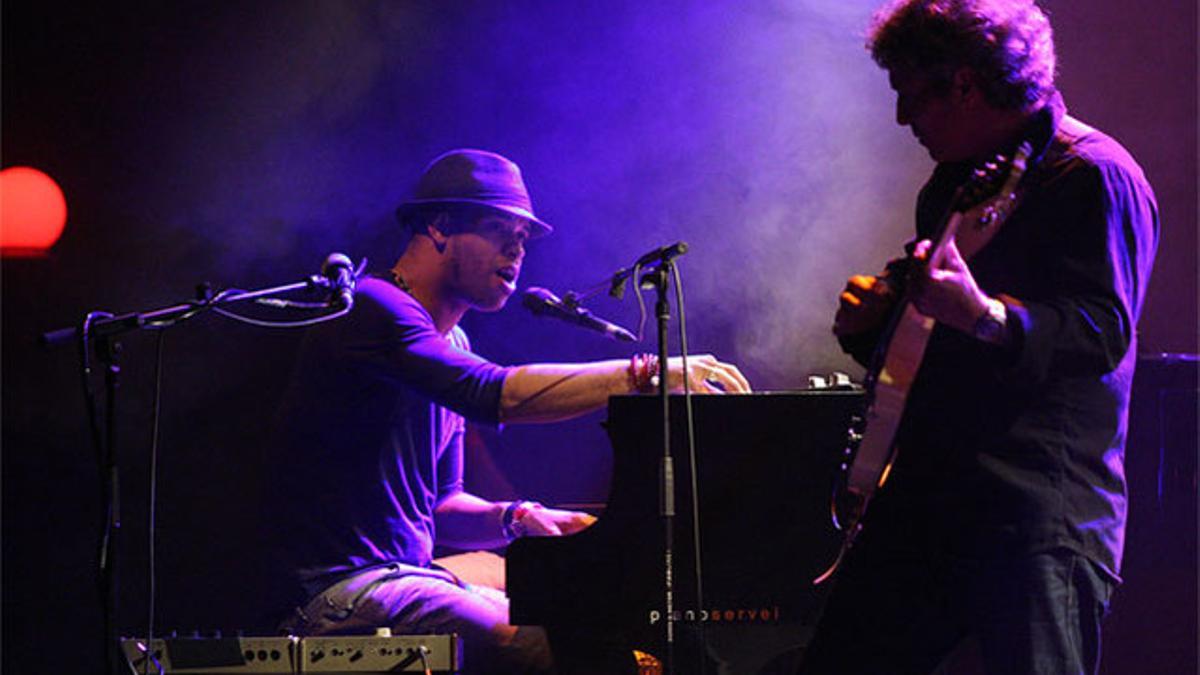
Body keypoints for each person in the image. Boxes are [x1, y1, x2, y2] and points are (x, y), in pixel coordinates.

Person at [263, 148, 750, 674]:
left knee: (593, 603)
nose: (516, 251)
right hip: (339, 590)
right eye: (501, 230)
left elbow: (442, 504)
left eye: (523, 239)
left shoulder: (455, 340)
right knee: (529, 638)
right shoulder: (374, 306)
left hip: (409, 573)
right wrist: (644, 371)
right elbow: (492, 393)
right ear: (441, 225)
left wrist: (519, 518)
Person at [800, 1, 1159, 673]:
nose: (904, 119)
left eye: (911, 96)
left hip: (1033, 515)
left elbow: (1101, 331)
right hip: (928, 502)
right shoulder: (953, 186)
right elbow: (935, 347)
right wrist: (874, 325)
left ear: (963, 84)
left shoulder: (1095, 175)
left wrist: (982, 312)